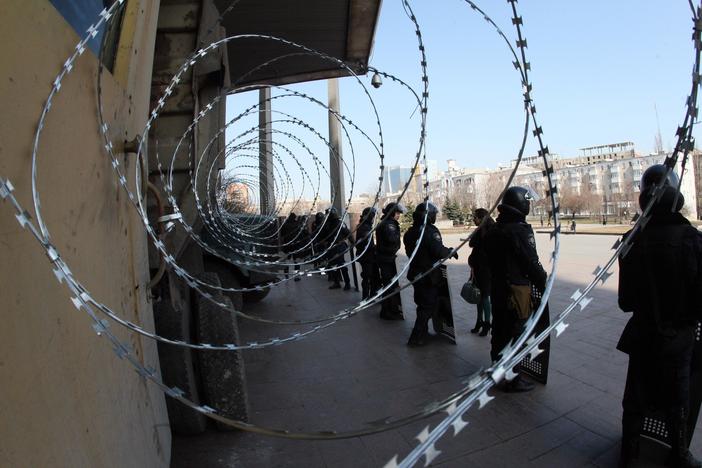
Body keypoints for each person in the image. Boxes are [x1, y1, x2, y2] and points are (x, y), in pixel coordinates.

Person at [617, 164, 702, 468]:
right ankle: (678, 453)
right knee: (678, 397)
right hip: (678, 337)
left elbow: (625, 301)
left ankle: (630, 451)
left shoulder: (631, 238)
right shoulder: (692, 239)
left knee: (635, 396)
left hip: (642, 333)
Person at [485, 186, 547, 392]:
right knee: (516, 333)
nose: (529, 205)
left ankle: (496, 369)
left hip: (499, 288)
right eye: (527, 201)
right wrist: (543, 280)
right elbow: (530, 262)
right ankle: (511, 378)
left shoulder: (495, 228)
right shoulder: (518, 230)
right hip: (516, 289)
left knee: (500, 330)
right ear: (520, 204)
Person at [403, 202, 457, 346]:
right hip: (428, 275)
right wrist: (450, 252)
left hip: (416, 273)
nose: (434, 217)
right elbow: (438, 250)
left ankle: (423, 332)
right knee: (427, 306)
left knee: (421, 304)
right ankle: (416, 337)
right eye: (433, 215)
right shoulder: (429, 232)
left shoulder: (410, 232)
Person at [375, 202, 406, 320]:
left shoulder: (386, 222)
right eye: (397, 213)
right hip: (386, 259)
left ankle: (391, 309)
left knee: (390, 285)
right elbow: (392, 240)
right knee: (389, 286)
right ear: (392, 213)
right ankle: (386, 311)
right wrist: (398, 230)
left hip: (386, 258)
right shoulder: (389, 225)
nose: (398, 215)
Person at [468, 208, 494, 337]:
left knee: (484, 296)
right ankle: (479, 321)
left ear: (481, 218)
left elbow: (472, 244)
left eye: (475, 217)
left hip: (485, 269)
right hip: (478, 268)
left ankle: (486, 323)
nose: (474, 219)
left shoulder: (487, 231)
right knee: (479, 296)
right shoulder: (483, 230)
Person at [322, 208, 352, 290]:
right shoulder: (328, 224)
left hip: (339, 247)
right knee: (333, 266)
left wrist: (353, 243)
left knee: (341, 265)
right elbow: (323, 236)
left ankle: (347, 283)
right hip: (331, 248)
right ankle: (337, 282)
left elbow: (347, 233)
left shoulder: (339, 223)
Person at [356, 207, 381, 300]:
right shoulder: (364, 227)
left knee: (373, 276)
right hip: (366, 257)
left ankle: (372, 295)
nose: (374, 219)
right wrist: (374, 247)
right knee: (367, 276)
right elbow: (365, 243)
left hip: (369, 256)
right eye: (373, 216)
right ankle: (365, 297)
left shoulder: (366, 226)